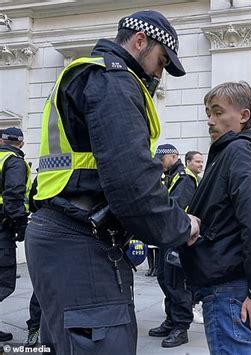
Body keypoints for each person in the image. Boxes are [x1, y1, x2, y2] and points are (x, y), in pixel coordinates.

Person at [25, 10, 200, 354]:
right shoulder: (114, 81)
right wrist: (182, 226)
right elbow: (133, 185)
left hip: (61, 232)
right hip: (81, 240)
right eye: (161, 61)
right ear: (140, 41)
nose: (159, 74)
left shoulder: (87, 75)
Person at [180, 81, 251, 354]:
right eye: (208, 112)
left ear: (244, 115)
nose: (210, 120)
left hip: (231, 289)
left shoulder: (238, 151)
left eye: (218, 112)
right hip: (243, 286)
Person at [149, 144, 197, 348]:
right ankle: (171, 319)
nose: (159, 163)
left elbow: (176, 205)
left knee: (176, 283)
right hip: (168, 237)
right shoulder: (170, 176)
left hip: (178, 238)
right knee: (164, 278)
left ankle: (181, 326)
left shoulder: (184, 177)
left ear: (173, 156)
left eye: (161, 159)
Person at [0, 127, 31, 342]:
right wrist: (21, 225)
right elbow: (13, 195)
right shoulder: (14, 162)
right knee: (3, 280)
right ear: (20, 143)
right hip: (2, 227)